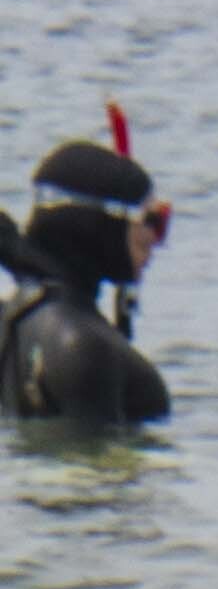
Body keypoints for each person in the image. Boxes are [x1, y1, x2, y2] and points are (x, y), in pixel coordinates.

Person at [5, 134, 173, 428]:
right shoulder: (83, 344)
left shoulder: (17, 317)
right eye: (151, 220)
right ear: (100, 225)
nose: (156, 238)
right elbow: (94, 469)